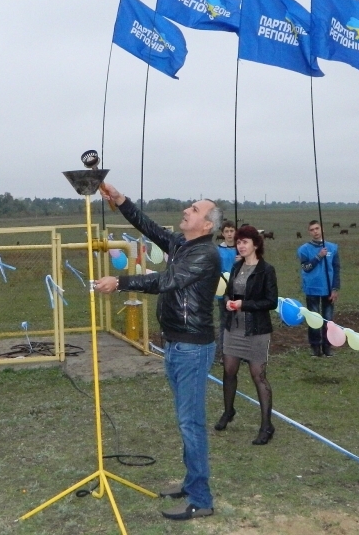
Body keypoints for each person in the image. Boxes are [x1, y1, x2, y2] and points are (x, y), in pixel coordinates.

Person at [94, 184, 222, 521]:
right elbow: (148, 227)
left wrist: (119, 282)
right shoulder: (182, 245)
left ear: (206, 225)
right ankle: (191, 483)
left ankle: (201, 499)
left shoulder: (205, 255)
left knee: (191, 423)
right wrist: (120, 201)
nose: (187, 210)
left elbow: (167, 281)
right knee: (186, 422)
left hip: (193, 348)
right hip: (176, 344)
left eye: (194, 209)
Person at [215, 226, 278, 445]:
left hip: (256, 330)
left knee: (257, 375)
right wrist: (228, 301)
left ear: (256, 245)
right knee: (229, 370)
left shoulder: (266, 270)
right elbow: (227, 293)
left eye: (245, 242)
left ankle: (266, 425)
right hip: (233, 328)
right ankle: (228, 411)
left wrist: (245, 304)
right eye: (239, 242)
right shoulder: (235, 267)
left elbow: (271, 301)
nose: (240, 246)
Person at [297, 220, 340, 357]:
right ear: (309, 232)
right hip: (312, 289)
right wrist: (318, 256)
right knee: (314, 320)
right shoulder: (304, 249)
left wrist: (335, 288)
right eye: (312, 230)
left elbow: (336, 269)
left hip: (328, 289)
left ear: (322, 229)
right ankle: (315, 347)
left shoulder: (332, 248)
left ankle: (327, 347)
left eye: (317, 228)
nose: (315, 232)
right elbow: (306, 268)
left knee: (328, 319)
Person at [215, 220, 238, 359]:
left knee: (240, 322)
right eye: (227, 231)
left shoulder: (241, 248)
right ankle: (222, 353)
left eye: (232, 231)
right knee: (225, 321)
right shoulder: (218, 251)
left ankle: (239, 352)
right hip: (224, 291)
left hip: (240, 290)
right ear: (222, 234)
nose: (229, 234)